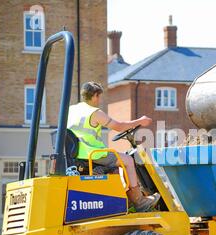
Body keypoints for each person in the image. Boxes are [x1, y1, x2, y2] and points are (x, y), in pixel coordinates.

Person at [67, 81, 160, 212]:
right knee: (128, 160)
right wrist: (140, 121)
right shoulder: (94, 112)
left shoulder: (72, 109)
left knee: (116, 167)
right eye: (99, 97)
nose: (99, 100)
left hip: (78, 154)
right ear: (94, 95)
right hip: (94, 154)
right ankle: (139, 200)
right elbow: (118, 126)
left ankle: (124, 199)